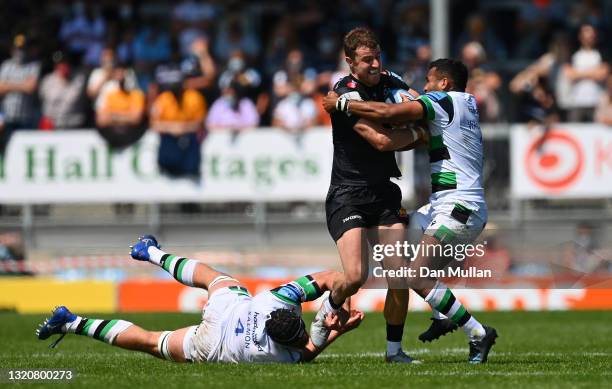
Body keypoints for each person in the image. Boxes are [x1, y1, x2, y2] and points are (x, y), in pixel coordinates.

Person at [323, 58, 498, 363]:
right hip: (444, 206)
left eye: (430, 81)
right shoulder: (465, 102)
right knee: (407, 239)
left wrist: (342, 105)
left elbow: (389, 112)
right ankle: (440, 313)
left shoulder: (441, 101)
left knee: (415, 276)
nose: (425, 88)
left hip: (459, 208)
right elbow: (410, 103)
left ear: (444, 83)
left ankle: (478, 332)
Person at [36, 235, 364, 363]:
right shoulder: (275, 356)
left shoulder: (274, 303)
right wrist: (336, 318)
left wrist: (335, 303)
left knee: (214, 278)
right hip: (213, 346)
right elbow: (308, 351)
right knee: (152, 341)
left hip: (231, 313)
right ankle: (72, 322)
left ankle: (149, 251)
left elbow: (326, 277)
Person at [311, 27, 423, 363]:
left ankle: (394, 351)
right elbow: (382, 142)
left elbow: (420, 104)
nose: (375, 64)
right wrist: (417, 133)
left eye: (377, 57)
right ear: (350, 62)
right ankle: (329, 306)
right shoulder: (343, 94)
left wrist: (413, 122)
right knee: (357, 276)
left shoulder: (390, 80)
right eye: (366, 59)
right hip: (348, 194)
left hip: (384, 192)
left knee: (398, 273)